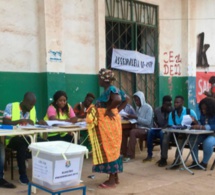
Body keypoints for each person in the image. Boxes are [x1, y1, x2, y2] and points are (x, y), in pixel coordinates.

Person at [86, 68, 127, 188]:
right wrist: (116, 111)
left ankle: (112, 180)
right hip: (110, 123)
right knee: (112, 149)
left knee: (109, 149)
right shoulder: (113, 89)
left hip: (108, 125)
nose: (98, 80)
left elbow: (119, 100)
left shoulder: (111, 89)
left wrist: (110, 110)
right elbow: (126, 99)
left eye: (99, 78)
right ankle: (115, 177)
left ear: (104, 79)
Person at [3, 92, 45, 184]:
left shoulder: (32, 109)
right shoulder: (11, 106)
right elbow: (5, 121)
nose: (32, 107)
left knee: (45, 143)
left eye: (33, 104)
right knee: (22, 145)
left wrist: (39, 123)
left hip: (28, 138)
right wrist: (21, 120)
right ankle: (23, 176)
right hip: (13, 139)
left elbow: (33, 122)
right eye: (30, 104)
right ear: (24, 101)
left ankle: (44, 173)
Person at [157, 95, 198, 167]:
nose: (175, 104)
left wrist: (194, 121)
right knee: (165, 136)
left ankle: (177, 160)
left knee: (180, 137)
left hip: (187, 134)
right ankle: (163, 158)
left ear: (182, 103)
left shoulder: (189, 112)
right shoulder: (172, 114)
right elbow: (170, 126)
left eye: (177, 102)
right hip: (175, 133)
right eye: (175, 102)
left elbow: (197, 124)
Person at [122, 91, 153, 162]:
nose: (136, 102)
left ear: (142, 99)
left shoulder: (148, 108)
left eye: (137, 100)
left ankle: (130, 155)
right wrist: (130, 118)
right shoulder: (138, 108)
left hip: (146, 129)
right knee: (124, 132)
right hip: (138, 127)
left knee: (133, 132)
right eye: (135, 100)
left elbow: (148, 122)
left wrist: (136, 118)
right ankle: (124, 153)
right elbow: (136, 119)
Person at [143, 95, 173, 162]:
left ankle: (163, 157)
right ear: (163, 104)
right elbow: (155, 120)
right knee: (150, 132)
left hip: (167, 131)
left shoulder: (172, 111)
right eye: (167, 105)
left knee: (162, 134)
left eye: (170, 105)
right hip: (158, 128)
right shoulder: (157, 110)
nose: (169, 107)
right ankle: (149, 155)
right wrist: (156, 125)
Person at [189, 97, 215, 169]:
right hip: (204, 133)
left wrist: (203, 127)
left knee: (208, 142)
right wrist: (196, 122)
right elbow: (201, 123)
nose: (203, 111)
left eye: (205, 109)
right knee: (192, 139)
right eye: (202, 109)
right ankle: (195, 161)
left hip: (213, 135)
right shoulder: (203, 114)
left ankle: (204, 163)